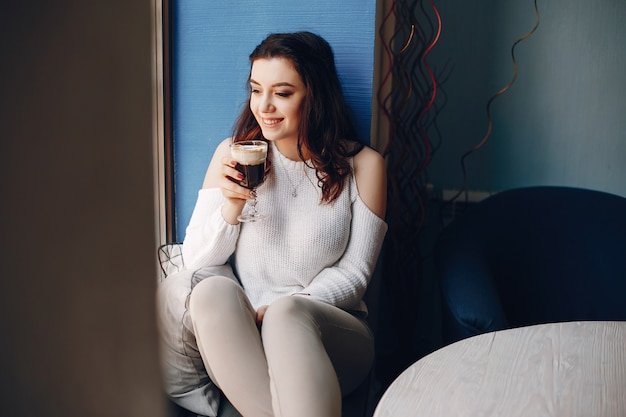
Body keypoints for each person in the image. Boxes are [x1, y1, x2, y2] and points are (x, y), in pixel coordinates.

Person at [157, 31, 387, 417]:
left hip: (331, 333)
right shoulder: (233, 154)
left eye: (282, 93)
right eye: (255, 90)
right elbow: (196, 259)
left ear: (315, 95)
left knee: (286, 315)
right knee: (210, 292)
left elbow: (356, 273)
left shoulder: (363, 166)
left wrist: (286, 306)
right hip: (252, 338)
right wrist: (231, 206)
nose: (264, 106)